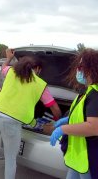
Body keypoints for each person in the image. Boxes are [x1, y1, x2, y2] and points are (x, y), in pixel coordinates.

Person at [0, 49, 62, 179]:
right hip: (11, 123)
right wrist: (59, 120)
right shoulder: (40, 84)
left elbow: (3, 67)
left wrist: (9, 57)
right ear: (37, 69)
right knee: (10, 160)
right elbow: (54, 107)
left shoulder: (11, 72)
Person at [50, 49, 98, 179]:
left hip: (89, 157)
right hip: (78, 157)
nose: (78, 70)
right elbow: (83, 114)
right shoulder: (87, 92)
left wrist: (63, 129)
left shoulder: (95, 94)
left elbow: (94, 127)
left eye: (81, 67)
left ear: (91, 68)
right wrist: (67, 120)